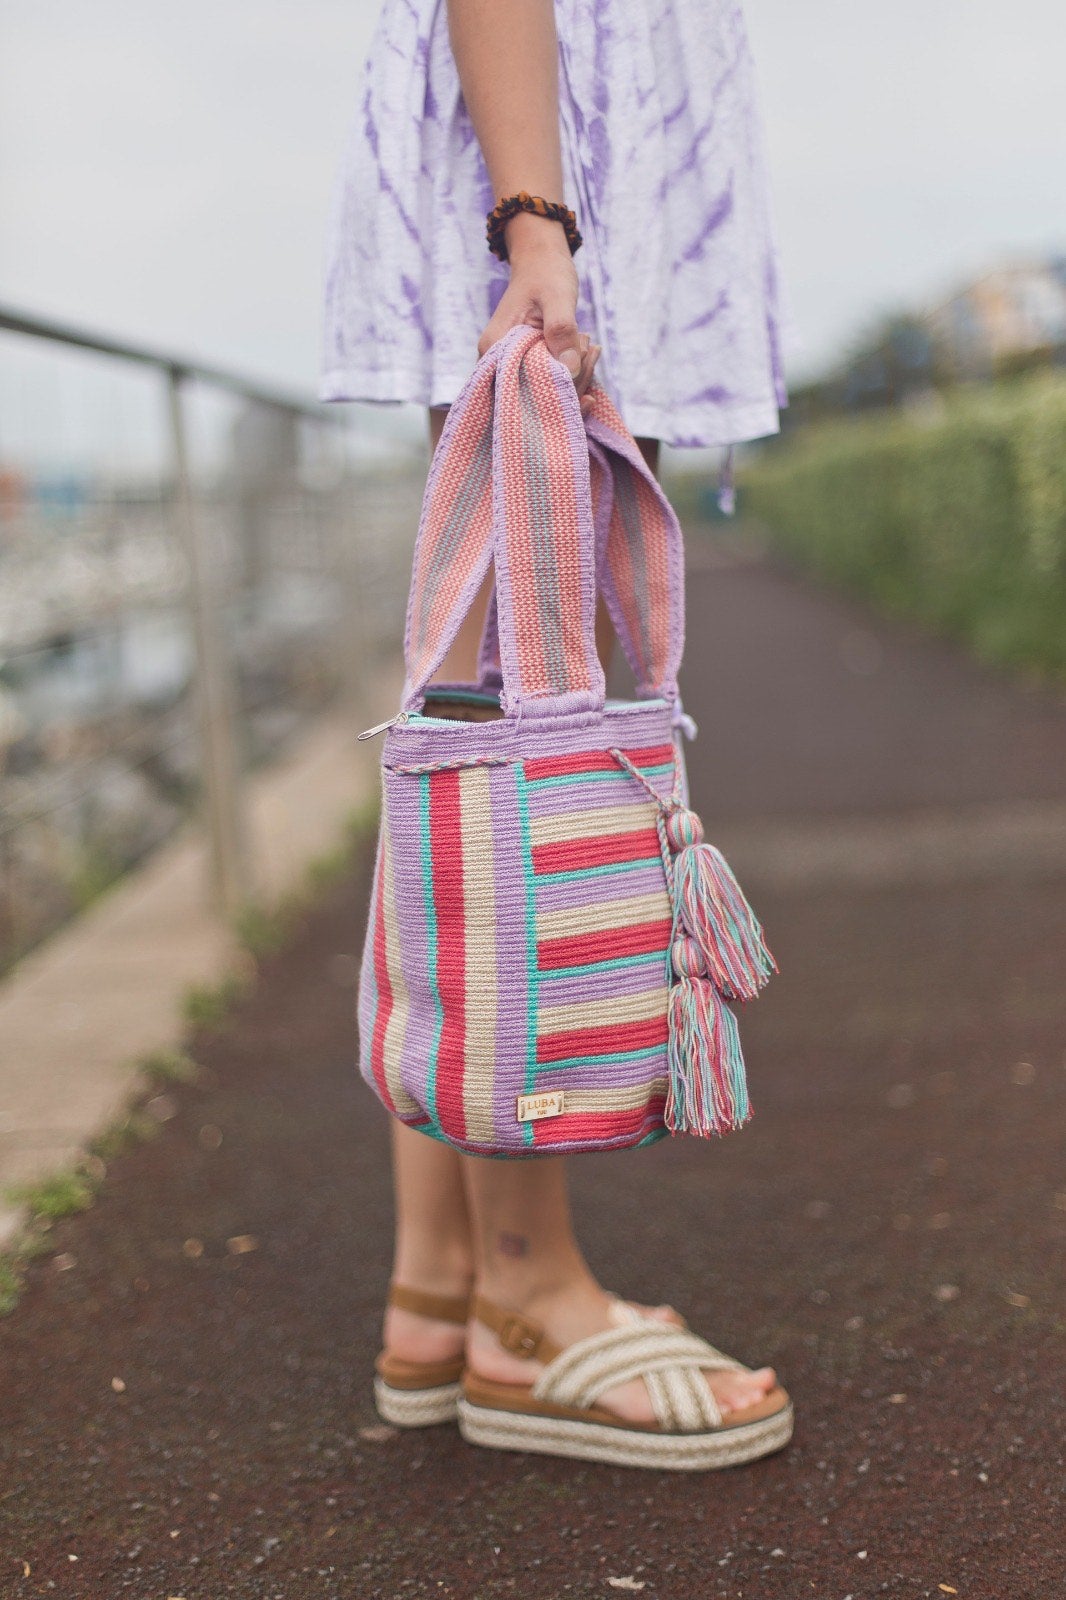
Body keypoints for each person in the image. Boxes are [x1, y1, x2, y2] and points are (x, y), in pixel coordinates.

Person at [322, 0, 791, 1466]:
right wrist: (536, 222)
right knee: (518, 739)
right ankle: (529, 1308)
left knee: (484, 730)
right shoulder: (555, 205)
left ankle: (444, 1284)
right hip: (569, 175)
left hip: (581, 178)